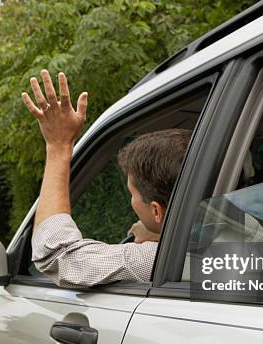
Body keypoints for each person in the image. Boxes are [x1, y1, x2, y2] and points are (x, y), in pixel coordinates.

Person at [22, 70, 190, 287]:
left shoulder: (154, 259)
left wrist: (58, 146)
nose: (132, 203)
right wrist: (162, 230)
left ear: (157, 211)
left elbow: (56, 255)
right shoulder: (242, 239)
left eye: (132, 194)